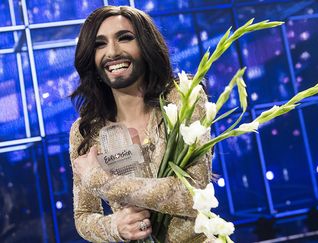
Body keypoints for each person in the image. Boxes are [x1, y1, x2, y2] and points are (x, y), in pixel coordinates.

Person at [69, 6, 212, 242]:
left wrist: (101, 181)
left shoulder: (183, 99)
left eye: (125, 38)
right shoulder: (86, 131)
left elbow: (192, 193)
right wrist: (115, 226)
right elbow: (84, 216)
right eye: (99, 44)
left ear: (146, 46)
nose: (112, 52)